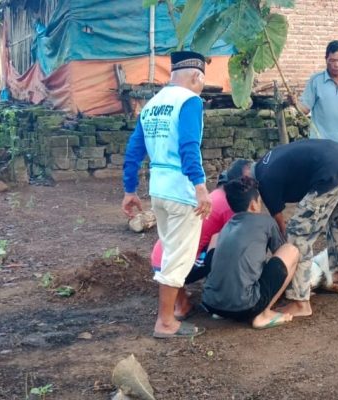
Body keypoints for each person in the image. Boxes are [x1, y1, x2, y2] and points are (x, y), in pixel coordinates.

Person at [122, 51, 211, 339]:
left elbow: (134, 150)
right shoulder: (190, 101)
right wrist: (200, 186)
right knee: (178, 259)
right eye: (202, 81)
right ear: (197, 76)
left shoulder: (152, 105)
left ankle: (175, 310)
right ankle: (166, 322)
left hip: (158, 189)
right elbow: (189, 146)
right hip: (181, 190)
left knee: (172, 252)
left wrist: (129, 190)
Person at [227, 139, 338, 317]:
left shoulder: (264, 180)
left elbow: (280, 226)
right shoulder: (267, 163)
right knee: (337, 220)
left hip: (330, 172)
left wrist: (285, 256)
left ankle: (300, 301)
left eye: (242, 186)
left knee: (298, 235)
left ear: (245, 175)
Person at [202, 177, 299, 329]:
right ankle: (263, 315)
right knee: (290, 251)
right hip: (246, 306)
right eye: (259, 201)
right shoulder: (266, 222)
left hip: (211, 303)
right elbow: (280, 252)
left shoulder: (227, 226)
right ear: (254, 205)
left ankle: (221, 308)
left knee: (216, 238)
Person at [149, 167, 236, 320]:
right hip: (175, 264)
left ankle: (179, 296)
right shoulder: (229, 205)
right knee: (221, 245)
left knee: (196, 243)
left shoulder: (212, 196)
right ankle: (182, 306)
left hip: (158, 259)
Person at [292, 40, 338, 152]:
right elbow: (305, 109)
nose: (336, 65)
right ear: (326, 59)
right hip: (320, 144)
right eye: (332, 60)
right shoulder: (316, 81)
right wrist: (294, 102)